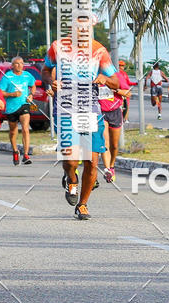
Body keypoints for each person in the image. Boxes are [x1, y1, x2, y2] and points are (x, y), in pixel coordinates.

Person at [42, 24, 119, 220]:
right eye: (79, 27)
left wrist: (104, 79)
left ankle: (82, 204)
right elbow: (45, 70)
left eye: (86, 28)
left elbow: (116, 82)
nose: (83, 31)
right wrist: (51, 82)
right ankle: (71, 178)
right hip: (66, 110)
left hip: (90, 111)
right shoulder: (58, 47)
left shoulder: (99, 50)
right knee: (70, 160)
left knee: (91, 162)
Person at [0, 56, 36, 165]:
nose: (20, 65)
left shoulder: (27, 75)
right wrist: (12, 94)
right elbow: (0, 92)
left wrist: (31, 95)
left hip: (24, 104)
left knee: (25, 128)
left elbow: (33, 86)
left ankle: (26, 154)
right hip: (11, 107)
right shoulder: (7, 76)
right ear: (12, 65)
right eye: (17, 63)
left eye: (22, 63)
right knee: (13, 131)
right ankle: (15, 151)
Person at [99, 67, 131, 183]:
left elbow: (128, 93)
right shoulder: (94, 75)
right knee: (105, 142)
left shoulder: (116, 76)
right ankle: (107, 169)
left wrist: (114, 89)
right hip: (100, 112)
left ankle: (112, 165)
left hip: (115, 112)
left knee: (114, 145)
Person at [117, 60, 136, 124]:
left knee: (127, 106)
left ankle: (126, 119)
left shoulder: (124, 74)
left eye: (122, 66)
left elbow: (128, 82)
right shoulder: (116, 73)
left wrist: (135, 83)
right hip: (120, 92)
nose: (122, 67)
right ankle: (120, 119)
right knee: (120, 106)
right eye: (120, 65)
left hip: (126, 92)